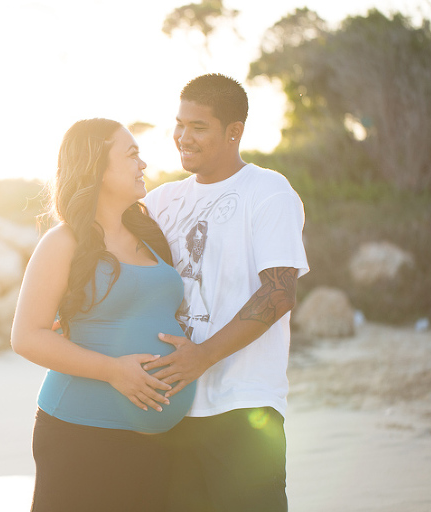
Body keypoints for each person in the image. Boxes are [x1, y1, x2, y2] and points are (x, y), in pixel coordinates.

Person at [142, 74, 309, 511]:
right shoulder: (161, 201)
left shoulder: (268, 192)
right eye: (179, 124)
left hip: (244, 409)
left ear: (234, 131)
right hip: (172, 408)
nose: (182, 137)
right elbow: (114, 263)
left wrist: (202, 356)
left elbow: (279, 293)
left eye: (198, 126)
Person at [11, 118, 196, 512]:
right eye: (131, 154)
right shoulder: (63, 242)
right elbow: (27, 336)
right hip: (79, 433)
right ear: (97, 165)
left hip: (156, 441)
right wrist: (114, 370)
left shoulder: (151, 235)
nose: (143, 164)